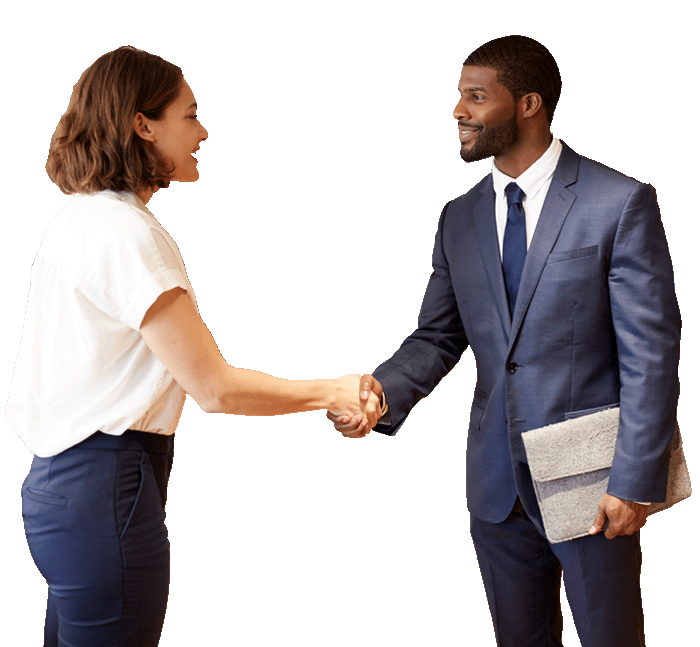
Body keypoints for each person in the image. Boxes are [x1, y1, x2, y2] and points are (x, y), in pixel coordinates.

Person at [6, 46, 382, 647]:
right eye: (190, 115)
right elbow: (216, 389)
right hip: (106, 490)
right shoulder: (129, 235)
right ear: (142, 123)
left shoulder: (75, 221)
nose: (202, 132)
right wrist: (331, 391)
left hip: (58, 493)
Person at [329, 36, 680, 646]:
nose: (459, 110)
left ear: (528, 104)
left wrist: (635, 479)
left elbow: (651, 354)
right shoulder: (457, 218)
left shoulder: (619, 202)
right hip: (495, 487)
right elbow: (438, 336)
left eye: (475, 96)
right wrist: (378, 392)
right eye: (458, 96)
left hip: (593, 481)